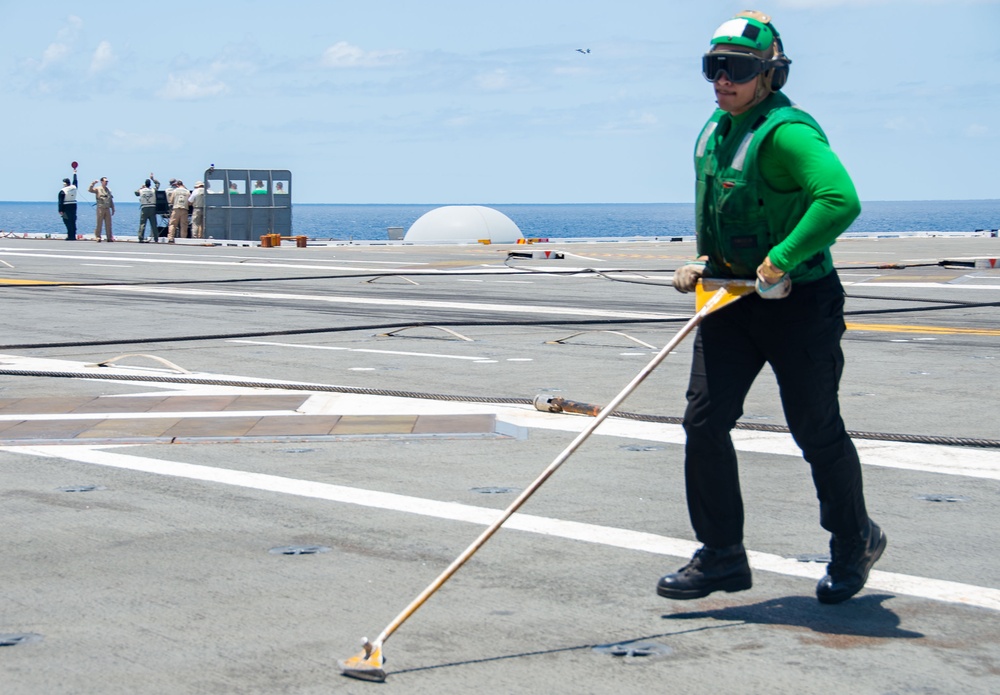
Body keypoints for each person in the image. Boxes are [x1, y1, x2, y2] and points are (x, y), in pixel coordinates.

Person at [656, 10, 885, 606]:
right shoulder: (715, 130)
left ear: (770, 74)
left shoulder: (788, 132)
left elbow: (840, 200)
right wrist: (704, 260)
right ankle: (722, 555)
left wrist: (781, 258)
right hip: (731, 299)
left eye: (734, 69)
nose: (721, 80)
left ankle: (853, 542)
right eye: (713, 68)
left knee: (815, 428)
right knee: (703, 423)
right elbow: (723, 209)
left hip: (797, 302)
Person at [134, 174, 160, 243]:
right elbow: (158, 184)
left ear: (145, 184)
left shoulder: (142, 191)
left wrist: (141, 188)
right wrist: (153, 179)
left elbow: (136, 193)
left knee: (142, 223)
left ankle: (140, 237)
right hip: (152, 207)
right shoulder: (153, 190)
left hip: (144, 208)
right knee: (154, 224)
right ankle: (156, 238)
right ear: (150, 184)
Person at [88, 176, 115, 242]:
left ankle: (109, 237)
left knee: (108, 224)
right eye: (105, 181)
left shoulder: (108, 190)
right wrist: (93, 183)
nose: (106, 183)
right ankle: (98, 237)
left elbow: (110, 199)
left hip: (107, 208)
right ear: (102, 182)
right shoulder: (98, 189)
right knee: (99, 223)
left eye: (107, 181)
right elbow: (90, 190)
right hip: (100, 208)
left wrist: (113, 208)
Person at [58, 171, 78, 240]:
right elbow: (75, 181)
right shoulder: (74, 187)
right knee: (73, 221)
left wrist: (60, 210)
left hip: (66, 206)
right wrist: (74, 173)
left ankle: (70, 236)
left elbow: (60, 201)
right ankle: (73, 235)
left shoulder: (63, 190)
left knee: (67, 221)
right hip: (73, 205)